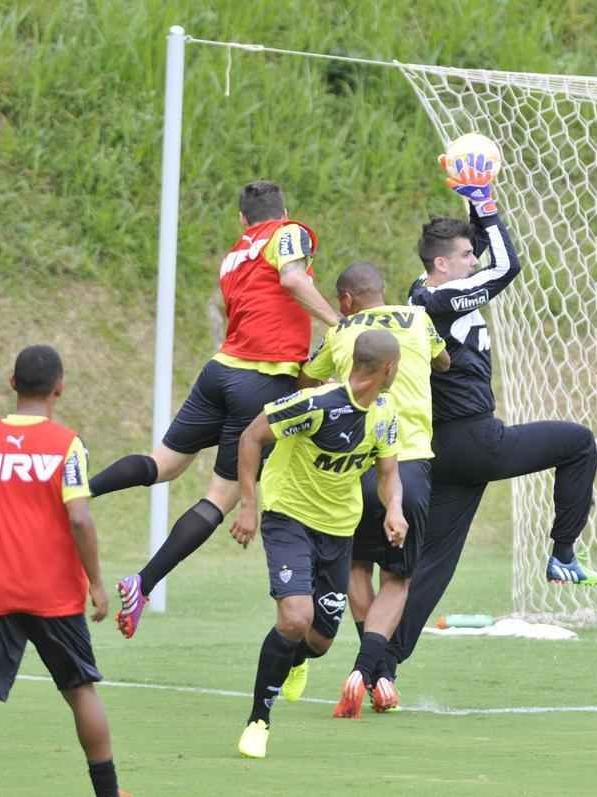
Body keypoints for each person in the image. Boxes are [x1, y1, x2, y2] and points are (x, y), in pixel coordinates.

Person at [385, 153, 597, 689]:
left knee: (433, 568)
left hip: (445, 449)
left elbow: (487, 253)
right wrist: (484, 199)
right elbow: (507, 266)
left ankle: (379, 667)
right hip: (476, 439)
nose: (473, 261)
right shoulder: (445, 298)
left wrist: (471, 205)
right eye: (463, 256)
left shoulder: (428, 288)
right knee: (578, 444)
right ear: (442, 264)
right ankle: (562, 553)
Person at [89, 180, 339, 638]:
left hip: (219, 370)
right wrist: (339, 326)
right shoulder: (289, 232)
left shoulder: (233, 256)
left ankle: (79, 492)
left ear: (242, 220)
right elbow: (293, 279)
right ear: (282, 212)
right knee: (219, 498)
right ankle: (141, 584)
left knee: (163, 464)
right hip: (260, 380)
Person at [0, 345, 128, 797]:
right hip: (55, 596)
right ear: (59, 387)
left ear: (12, 383)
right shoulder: (66, 444)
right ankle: (108, 791)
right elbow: (80, 518)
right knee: (81, 691)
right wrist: (97, 583)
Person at [230, 329, 406, 758]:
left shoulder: (385, 413)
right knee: (294, 618)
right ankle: (258, 721)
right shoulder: (315, 406)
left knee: (320, 640)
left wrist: (395, 508)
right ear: (388, 369)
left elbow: (387, 473)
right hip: (289, 517)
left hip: (339, 529)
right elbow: (251, 437)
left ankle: (294, 660)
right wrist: (249, 506)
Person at [296, 261, 450, 715]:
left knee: (356, 567)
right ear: (382, 291)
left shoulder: (342, 332)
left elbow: (307, 378)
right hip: (411, 462)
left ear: (345, 300)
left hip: (356, 461)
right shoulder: (419, 319)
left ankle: (379, 673)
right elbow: (444, 361)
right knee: (399, 577)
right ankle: (368, 672)